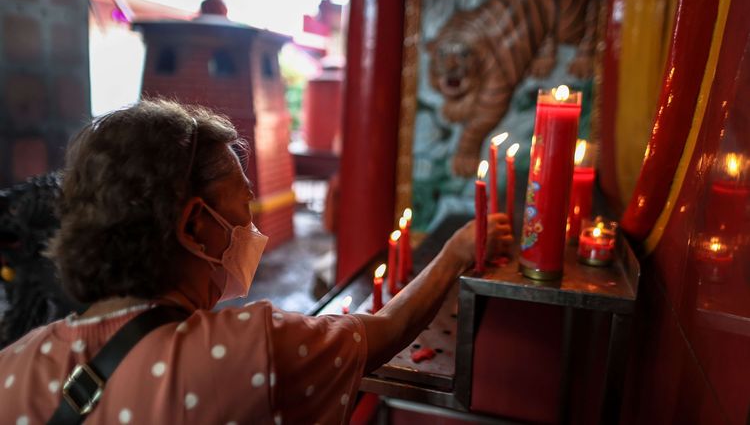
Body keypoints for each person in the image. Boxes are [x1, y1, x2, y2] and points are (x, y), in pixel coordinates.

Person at [0, 100, 512, 424]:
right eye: (243, 210)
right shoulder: (245, 354)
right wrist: (456, 253)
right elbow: (382, 331)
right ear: (196, 227)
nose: (253, 230)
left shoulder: (14, 365)